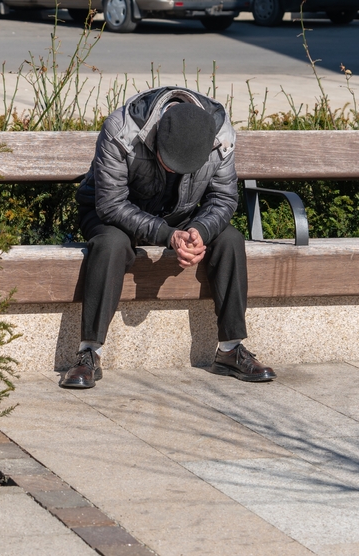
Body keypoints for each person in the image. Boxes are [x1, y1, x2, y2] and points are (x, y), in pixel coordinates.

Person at [60, 86, 276, 389]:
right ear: (157, 137)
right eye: (169, 162)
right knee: (110, 245)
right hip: (113, 213)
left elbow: (223, 199)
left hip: (179, 213)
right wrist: (166, 235)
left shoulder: (221, 135)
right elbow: (110, 203)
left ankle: (230, 350)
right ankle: (88, 353)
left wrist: (199, 231)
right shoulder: (122, 129)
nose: (175, 170)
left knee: (230, 239)